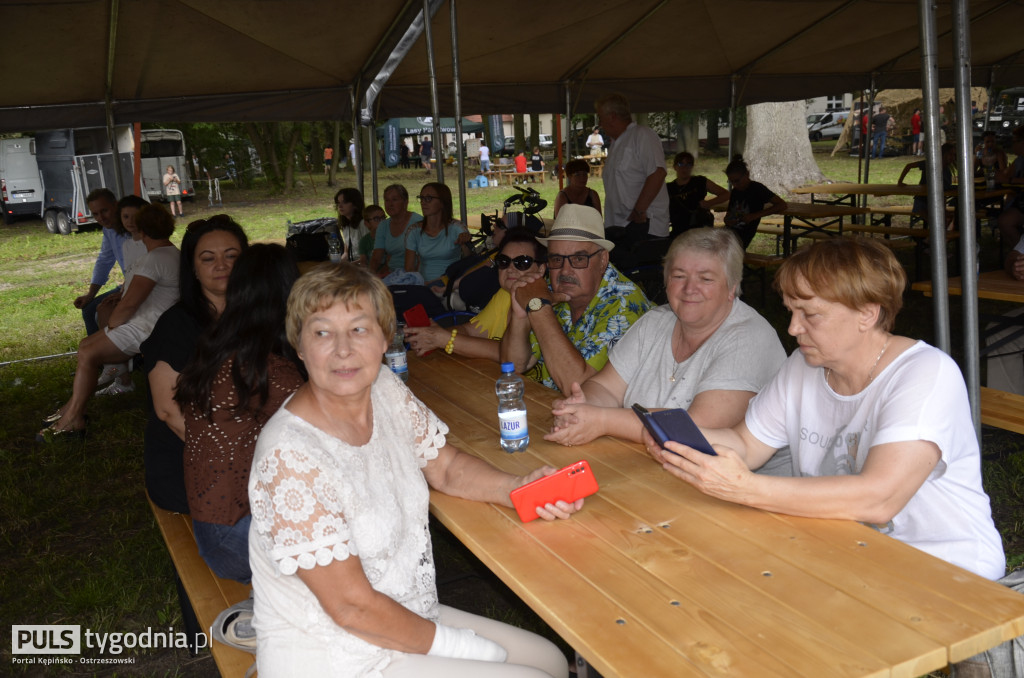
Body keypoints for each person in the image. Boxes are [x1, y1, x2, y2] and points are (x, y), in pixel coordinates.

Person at [247, 263, 579, 677]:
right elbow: (351, 608)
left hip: (402, 610)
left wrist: (517, 487)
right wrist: (466, 650)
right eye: (322, 332)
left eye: (359, 328)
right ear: (299, 345)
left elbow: (445, 467)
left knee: (547, 660)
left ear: (386, 337)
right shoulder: (289, 456)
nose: (343, 349)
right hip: (339, 653)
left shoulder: (383, 388)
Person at [643, 237, 1005, 582]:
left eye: (810, 314)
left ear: (867, 313)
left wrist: (746, 488)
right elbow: (745, 444)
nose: (793, 327)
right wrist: (676, 438)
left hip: (947, 570)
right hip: (850, 555)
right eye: (791, 311)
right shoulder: (804, 366)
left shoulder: (925, 373)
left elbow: (879, 498)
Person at [545, 228, 785, 452]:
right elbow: (605, 387)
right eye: (679, 275)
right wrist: (582, 407)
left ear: (732, 287)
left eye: (706, 279)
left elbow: (695, 429)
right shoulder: (655, 322)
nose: (690, 288)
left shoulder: (751, 338)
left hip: (734, 488)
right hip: (648, 464)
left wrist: (603, 420)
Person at [175, 244, 305, 583]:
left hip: (215, 529)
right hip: (236, 540)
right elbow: (321, 443)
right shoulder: (269, 367)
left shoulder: (222, 344)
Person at [39, 204, 180, 442]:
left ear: (142, 231)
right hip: (153, 323)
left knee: (89, 353)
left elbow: (128, 306)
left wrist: (112, 324)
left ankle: (74, 418)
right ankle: (72, 409)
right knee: (86, 347)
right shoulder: (169, 253)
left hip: (148, 329)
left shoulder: (155, 259)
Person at [142, 216, 249, 513]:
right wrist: (235, 461)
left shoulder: (257, 316)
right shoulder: (177, 325)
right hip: (191, 464)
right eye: (208, 258)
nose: (221, 265)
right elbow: (168, 410)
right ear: (193, 269)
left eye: (231, 256)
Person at [500, 204, 652, 394]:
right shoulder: (548, 289)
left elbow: (580, 389)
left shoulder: (625, 303)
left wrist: (538, 307)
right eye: (556, 259)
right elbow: (513, 365)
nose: (564, 271)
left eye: (579, 259)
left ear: (603, 260)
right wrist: (520, 314)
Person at [405, 228, 546, 361]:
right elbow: (470, 331)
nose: (510, 268)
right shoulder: (505, 294)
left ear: (541, 269)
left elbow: (511, 355)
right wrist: (431, 335)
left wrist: (442, 339)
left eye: (522, 262)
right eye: (503, 261)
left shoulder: (541, 303)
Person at [595, 93, 670, 250]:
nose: (600, 124)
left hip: (644, 224)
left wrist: (639, 210)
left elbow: (657, 172)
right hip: (620, 224)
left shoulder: (643, 136)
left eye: (601, 118)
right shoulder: (616, 143)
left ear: (612, 117)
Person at [93, 194, 151, 396]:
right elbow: (130, 271)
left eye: (135, 217)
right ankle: (115, 367)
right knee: (100, 308)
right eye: (126, 217)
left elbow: (148, 274)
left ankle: (114, 363)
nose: (130, 222)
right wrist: (121, 291)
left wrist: (124, 294)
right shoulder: (126, 242)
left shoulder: (148, 241)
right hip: (135, 287)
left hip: (150, 294)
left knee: (108, 313)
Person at [74, 188, 131, 338]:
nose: (101, 218)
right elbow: (104, 260)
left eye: (104, 211)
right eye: (95, 214)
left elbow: (144, 266)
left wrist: (125, 291)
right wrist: (90, 294)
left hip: (143, 284)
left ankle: (107, 352)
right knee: (89, 308)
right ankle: (99, 353)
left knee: (105, 309)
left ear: (116, 205)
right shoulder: (109, 230)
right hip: (129, 284)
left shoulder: (132, 227)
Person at [405, 182, 471, 288]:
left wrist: (464, 244)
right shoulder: (414, 231)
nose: (423, 202)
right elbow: (409, 269)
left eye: (428, 198)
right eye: (421, 198)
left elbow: (470, 260)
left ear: (442, 202)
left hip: (450, 285)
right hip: (423, 285)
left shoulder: (457, 228)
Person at [722, 155, 787, 249]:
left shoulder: (757, 188)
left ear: (747, 174)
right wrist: (727, 219)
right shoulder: (735, 191)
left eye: (737, 181)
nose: (735, 185)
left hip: (744, 234)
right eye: (731, 182)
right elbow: (729, 213)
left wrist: (755, 216)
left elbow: (782, 205)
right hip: (730, 232)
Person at [666, 151, 729, 237]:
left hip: (700, 228)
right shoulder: (669, 188)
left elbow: (726, 194)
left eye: (688, 164)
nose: (684, 168)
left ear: (692, 167)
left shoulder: (700, 181)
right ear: (675, 167)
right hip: (678, 229)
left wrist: (709, 203)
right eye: (681, 164)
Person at [897, 142, 955, 229]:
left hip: (936, 203)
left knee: (950, 217)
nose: (953, 158)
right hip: (922, 203)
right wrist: (900, 181)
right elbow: (909, 166)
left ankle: (931, 240)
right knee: (938, 223)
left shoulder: (947, 170)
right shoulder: (931, 164)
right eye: (951, 154)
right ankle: (931, 240)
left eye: (954, 155)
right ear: (944, 153)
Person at [370, 184, 424, 277]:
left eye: (394, 200)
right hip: (392, 274)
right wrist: (370, 276)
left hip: (414, 274)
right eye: (387, 200)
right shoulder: (383, 226)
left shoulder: (418, 223)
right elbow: (376, 258)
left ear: (405, 202)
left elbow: (422, 259)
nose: (390, 204)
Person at [997, 127, 1024, 247]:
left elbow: (1006, 178)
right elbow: (1004, 174)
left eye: (1015, 141)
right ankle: (1018, 254)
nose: (1012, 145)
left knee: (1006, 221)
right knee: (1004, 221)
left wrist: (1009, 180)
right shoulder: (1019, 160)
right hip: (1020, 202)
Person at [335, 187, 370, 263]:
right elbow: (346, 253)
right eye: (338, 203)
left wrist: (349, 266)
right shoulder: (346, 225)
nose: (340, 206)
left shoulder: (363, 224)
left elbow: (368, 256)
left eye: (344, 202)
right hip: (353, 264)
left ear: (355, 204)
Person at [360, 204, 386, 269]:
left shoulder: (389, 237)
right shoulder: (364, 241)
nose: (381, 221)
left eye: (383, 218)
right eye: (376, 219)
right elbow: (363, 262)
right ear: (367, 223)